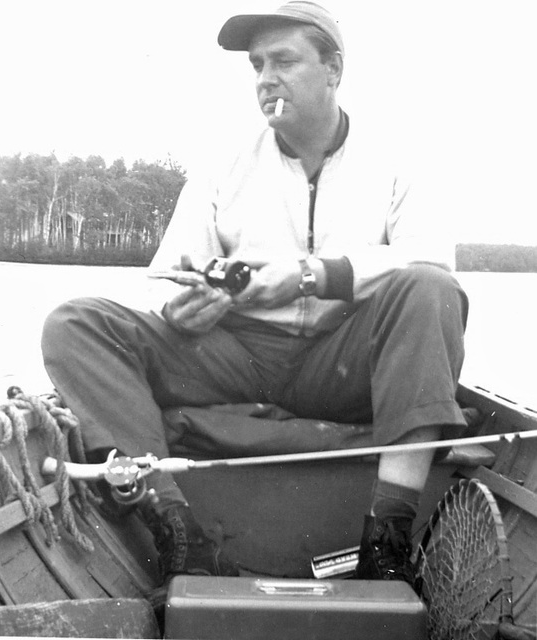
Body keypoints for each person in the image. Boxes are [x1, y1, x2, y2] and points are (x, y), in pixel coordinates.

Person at [41, 1, 469, 588]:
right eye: (257, 64)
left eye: (284, 61)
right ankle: (177, 528)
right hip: (235, 359)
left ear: (333, 69)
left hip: (342, 366)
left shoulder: (397, 162)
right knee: (75, 323)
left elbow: (431, 258)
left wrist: (311, 275)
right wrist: (183, 311)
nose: (266, 78)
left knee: (431, 290)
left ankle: (387, 539)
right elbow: (166, 280)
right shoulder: (223, 166)